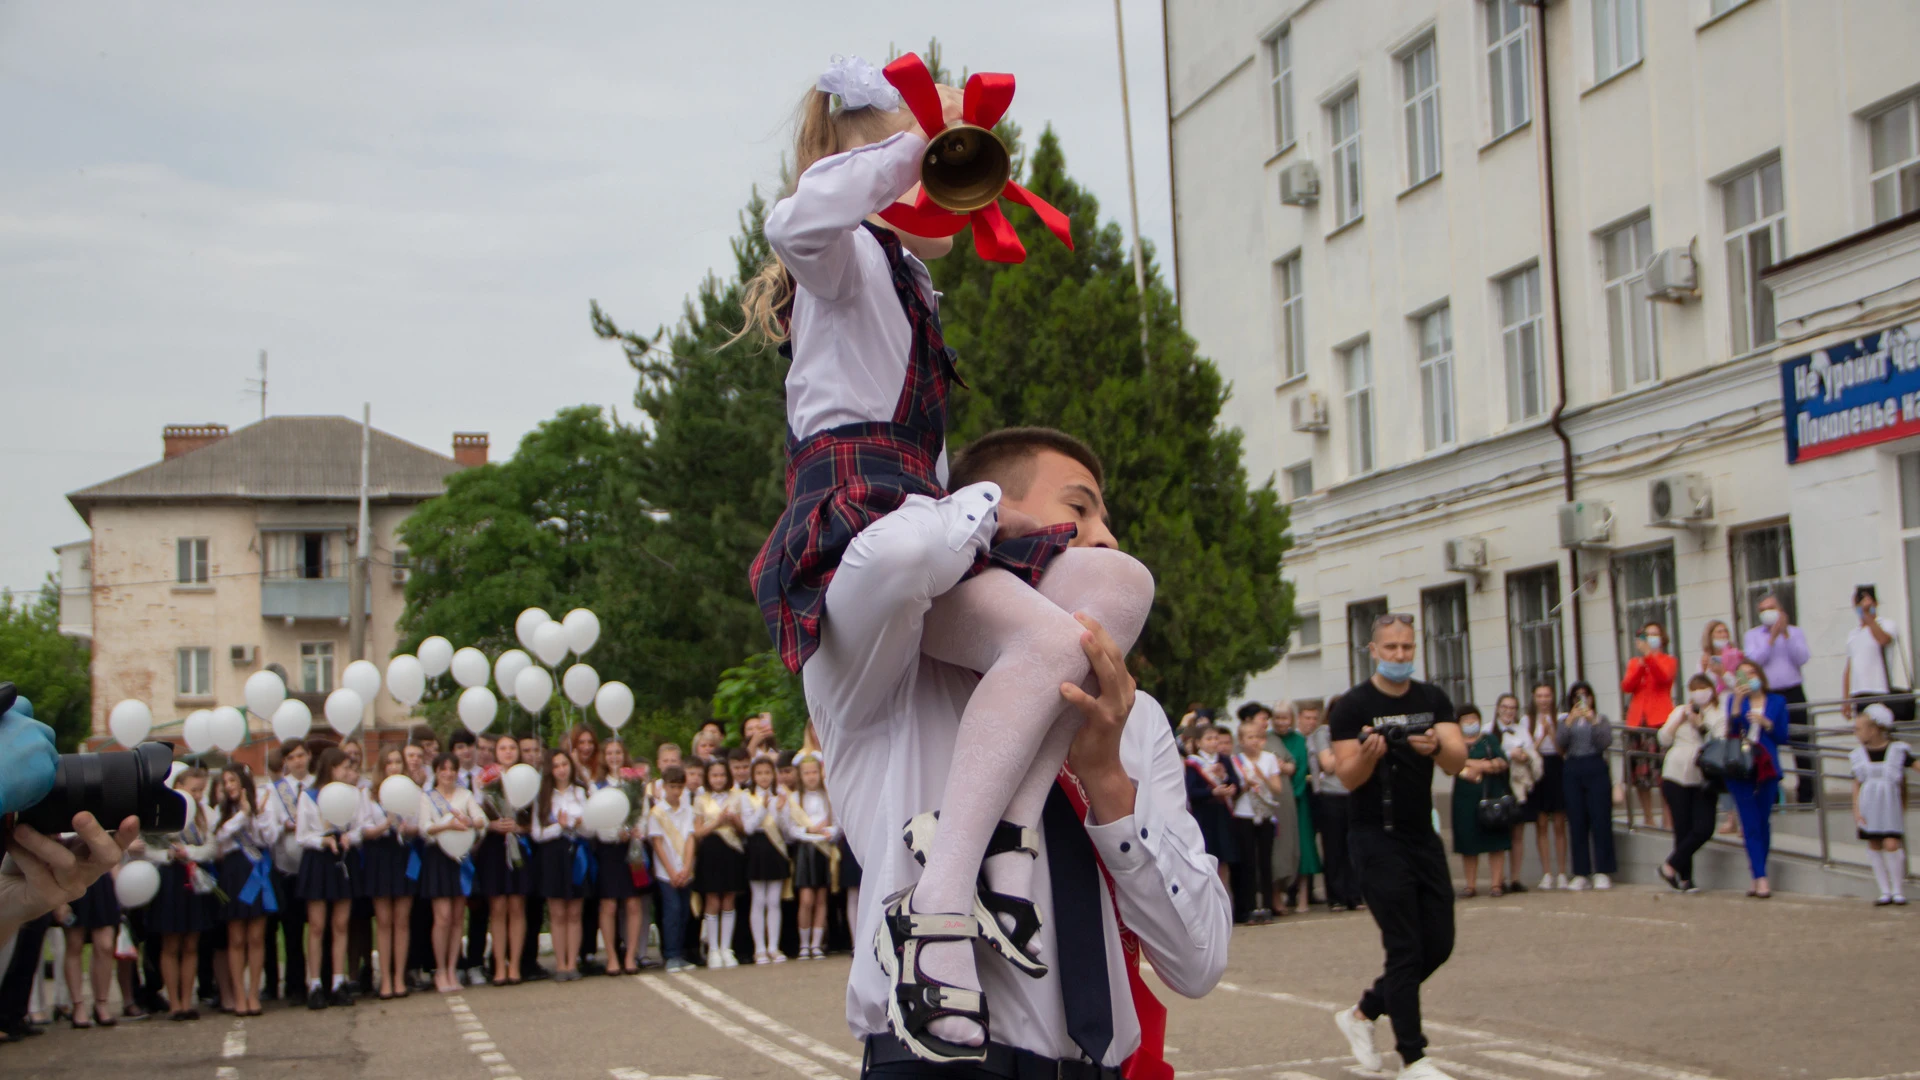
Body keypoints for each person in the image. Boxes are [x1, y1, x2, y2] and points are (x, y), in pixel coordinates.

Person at [746, 56, 1152, 1059]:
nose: (922, 169)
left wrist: (990, 524)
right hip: (857, 523)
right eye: (898, 147)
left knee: (1091, 605)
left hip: (918, 515)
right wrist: (899, 154)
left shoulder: (908, 273)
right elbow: (789, 224)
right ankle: (942, 905)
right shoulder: (837, 252)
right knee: (931, 550)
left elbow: (924, 457)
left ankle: (988, 846)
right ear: (860, 154)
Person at [800, 425, 1229, 1079]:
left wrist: (1108, 782)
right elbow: (902, 556)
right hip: (939, 1061)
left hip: (1100, 1066)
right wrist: (974, 508)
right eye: (1079, 510)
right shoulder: (886, 672)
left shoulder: (1135, 719)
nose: (1107, 537)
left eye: (1107, 517)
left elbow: (1198, 961)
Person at [1327, 612, 1468, 1080]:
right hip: (1373, 835)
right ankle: (1414, 1056)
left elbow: (1457, 758)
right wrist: (1368, 756)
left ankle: (1363, 1013)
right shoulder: (1352, 705)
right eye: (1391, 649)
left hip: (1421, 834)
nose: (1400, 656)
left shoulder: (1432, 699)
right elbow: (1347, 776)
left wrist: (1434, 748)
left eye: (1407, 648)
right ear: (1374, 651)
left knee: (1439, 943)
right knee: (1405, 945)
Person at [297, 748, 366, 1009]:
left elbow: (360, 826)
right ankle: (314, 983)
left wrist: (352, 837)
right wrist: (322, 841)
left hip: (343, 858)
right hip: (319, 860)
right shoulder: (309, 796)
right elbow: (302, 835)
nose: (348, 772)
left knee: (341, 924)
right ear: (330, 767)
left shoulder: (352, 795)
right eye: (343, 767)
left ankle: (338, 981)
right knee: (316, 926)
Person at [150, 766, 217, 1021]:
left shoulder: (205, 813)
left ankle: (188, 1001)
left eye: (201, 790)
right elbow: (146, 847)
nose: (199, 795)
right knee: (171, 942)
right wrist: (166, 854)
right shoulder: (164, 811)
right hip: (170, 877)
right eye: (194, 789)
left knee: (191, 942)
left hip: (194, 876)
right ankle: (174, 1003)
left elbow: (211, 847)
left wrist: (190, 853)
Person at [211, 764, 272, 1017]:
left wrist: (251, 815)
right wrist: (241, 816)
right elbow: (219, 839)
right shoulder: (220, 812)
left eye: (233, 780)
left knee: (256, 937)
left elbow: (267, 838)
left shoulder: (262, 807)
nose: (229, 786)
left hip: (256, 871)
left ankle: (253, 994)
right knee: (235, 937)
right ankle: (238, 994)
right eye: (225, 782)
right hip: (232, 873)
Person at [1656, 675, 1726, 893]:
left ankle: (1670, 865)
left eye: (1703, 688)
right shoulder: (1680, 710)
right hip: (1676, 774)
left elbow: (1719, 742)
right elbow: (1663, 739)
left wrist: (1701, 725)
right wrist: (1680, 720)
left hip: (1703, 777)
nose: (1699, 693)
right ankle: (1685, 878)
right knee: (1682, 827)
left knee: (1704, 827)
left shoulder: (1718, 713)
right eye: (1694, 689)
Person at [1726, 660, 1788, 899]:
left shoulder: (1777, 701)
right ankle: (1761, 877)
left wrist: (1767, 723)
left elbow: (1783, 736)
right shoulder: (1734, 700)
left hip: (1767, 765)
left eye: (1752, 673)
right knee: (1750, 823)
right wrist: (1737, 705)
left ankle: (1757, 874)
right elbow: (1730, 733)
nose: (1749, 677)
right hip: (1741, 766)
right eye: (1744, 674)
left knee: (1763, 822)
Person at [473, 735, 531, 985]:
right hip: (494, 847)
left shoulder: (527, 777)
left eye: (512, 747)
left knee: (517, 907)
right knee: (497, 908)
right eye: (503, 748)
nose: (508, 752)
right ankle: (498, 965)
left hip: (519, 844)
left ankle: (514, 965)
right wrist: (491, 824)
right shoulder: (485, 779)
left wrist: (520, 828)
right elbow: (475, 813)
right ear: (496, 753)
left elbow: (535, 821)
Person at [257, 738, 312, 1004]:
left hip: (313, 867)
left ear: (309, 756)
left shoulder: (318, 786)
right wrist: (285, 825)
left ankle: (315, 982)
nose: (298, 761)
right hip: (284, 868)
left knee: (315, 929)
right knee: (289, 930)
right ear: (285, 763)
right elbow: (268, 829)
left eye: (301, 755)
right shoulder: (276, 791)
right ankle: (292, 985)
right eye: (292, 758)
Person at [1743, 593, 1812, 803]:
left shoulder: (1794, 632)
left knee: (1801, 741)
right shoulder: (1753, 635)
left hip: (1793, 691)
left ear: (1781, 610)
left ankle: (1807, 794)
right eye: (1763, 609)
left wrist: (1785, 635)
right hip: (1768, 694)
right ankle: (1770, 793)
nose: (1767, 613)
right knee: (1767, 743)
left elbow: (1802, 658)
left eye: (1771, 608)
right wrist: (1771, 639)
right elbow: (1754, 662)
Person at [362, 749, 418, 999]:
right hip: (379, 854)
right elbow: (364, 830)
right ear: (381, 767)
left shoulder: (411, 790)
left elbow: (420, 826)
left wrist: (408, 828)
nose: (394, 767)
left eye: (398, 762)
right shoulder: (369, 794)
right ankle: (384, 978)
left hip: (402, 853)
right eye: (389, 763)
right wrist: (387, 823)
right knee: (384, 921)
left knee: (402, 920)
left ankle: (399, 977)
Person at [1851, 704, 1917, 905]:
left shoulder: (1898, 751)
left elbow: (1915, 766)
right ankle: (1884, 890)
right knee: (1874, 843)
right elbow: (1856, 784)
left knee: (1891, 843)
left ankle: (1897, 889)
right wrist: (1856, 809)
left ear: (1874, 729)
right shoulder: (1858, 755)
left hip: (1889, 804)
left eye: (1859, 729)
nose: (1856, 733)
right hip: (1869, 804)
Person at [532, 748, 588, 980]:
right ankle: (561, 964)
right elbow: (537, 834)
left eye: (565, 764)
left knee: (575, 911)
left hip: (577, 853)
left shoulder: (581, 793)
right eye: (556, 766)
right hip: (553, 854)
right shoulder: (543, 796)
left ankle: (572, 963)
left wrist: (577, 824)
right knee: (557, 912)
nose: (561, 769)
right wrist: (559, 827)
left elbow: (591, 828)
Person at [1555, 682, 1615, 891]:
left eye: (1585, 696)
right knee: (1577, 820)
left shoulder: (1600, 718)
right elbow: (1560, 742)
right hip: (1573, 767)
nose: (1581, 701)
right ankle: (1581, 872)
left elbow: (1605, 741)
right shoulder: (1565, 720)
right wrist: (1570, 721)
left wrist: (1593, 721)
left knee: (1600, 819)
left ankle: (1603, 870)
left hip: (1595, 764)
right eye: (1577, 697)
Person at [593, 739, 646, 975]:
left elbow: (643, 812)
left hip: (632, 849)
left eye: (618, 752)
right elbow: (596, 819)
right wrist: (617, 834)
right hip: (610, 850)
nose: (614, 757)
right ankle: (612, 956)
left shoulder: (635, 783)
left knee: (634, 902)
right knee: (609, 904)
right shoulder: (597, 786)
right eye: (609, 753)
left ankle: (630, 955)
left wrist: (636, 831)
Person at [1449, 705, 1510, 899]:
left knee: (1495, 840)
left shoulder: (1489, 740)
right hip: (1464, 798)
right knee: (1468, 841)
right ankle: (1470, 885)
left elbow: (1501, 763)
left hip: (1491, 795)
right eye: (1466, 719)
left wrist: (1479, 765)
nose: (1470, 723)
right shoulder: (1455, 742)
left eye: (1473, 719)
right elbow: (1450, 765)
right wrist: (1480, 764)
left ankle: (1496, 884)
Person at [1229, 710, 1285, 924]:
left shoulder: (1269, 759)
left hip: (1265, 814)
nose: (1253, 742)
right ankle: (1250, 907)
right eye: (1248, 738)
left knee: (1265, 861)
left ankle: (1268, 906)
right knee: (1248, 862)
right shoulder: (1236, 761)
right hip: (1244, 813)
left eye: (1256, 737)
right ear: (1241, 741)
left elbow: (1277, 788)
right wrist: (1245, 784)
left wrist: (1263, 778)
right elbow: (1235, 790)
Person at [1307, 698, 1361, 909]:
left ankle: (1355, 895)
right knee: (1334, 848)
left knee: (1355, 847)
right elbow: (1327, 764)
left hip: (1354, 793)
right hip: (1331, 795)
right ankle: (1336, 896)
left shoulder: (1356, 732)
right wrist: (1348, 751)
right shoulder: (1324, 732)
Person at [1621, 621, 1675, 829]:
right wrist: (1642, 662)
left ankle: (1667, 817)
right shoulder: (1635, 662)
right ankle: (1647, 815)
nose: (1651, 638)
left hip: (1659, 720)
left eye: (1655, 634)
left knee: (1662, 773)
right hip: (1638, 721)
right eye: (1647, 635)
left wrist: (1650, 658)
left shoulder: (1668, 660)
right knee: (1640, 773)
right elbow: (1627, 686)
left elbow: (1664, 678)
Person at [693, 758, 746, 969]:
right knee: (712, 898)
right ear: (708, 777)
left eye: (722, 775)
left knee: (729, 898)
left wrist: (733, 820)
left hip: (731, 851)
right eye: (714, 775)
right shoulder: (701, 799)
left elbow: (743, 830)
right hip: (710, 850)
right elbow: (697, 833)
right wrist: (717, 821)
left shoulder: (737, 797)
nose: (718, 779)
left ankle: (726, 948)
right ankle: (713, 949)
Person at [785, 753, 838, 959]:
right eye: (806, 773)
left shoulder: (828, 796)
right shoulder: (796, 799)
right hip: (806, 849)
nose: (811, 777)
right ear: (801, 775)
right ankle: (804, 945)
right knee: (806, 899)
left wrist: (830, 832)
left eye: (814, 772)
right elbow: (791, 829)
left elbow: (838, 824)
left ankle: (816, 944)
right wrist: (810, 831)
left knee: (821, 898)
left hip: (823, 848)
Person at [647, 766, 698, 972]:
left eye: (679, 787)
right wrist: (671, 871)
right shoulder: (657, 812)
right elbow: (657, 844)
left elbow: (690, 839)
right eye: (672, 787)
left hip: (685, 869)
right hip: (666, 872)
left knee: (684, 912)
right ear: (664, 786)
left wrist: (686, 867)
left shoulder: (688, 810)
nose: (675, 791)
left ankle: (680, 953)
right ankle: (671, 954)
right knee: (672, 912)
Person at [742, 757, 792, 964]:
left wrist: (779, 811)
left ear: (773, 775)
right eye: (759, 773)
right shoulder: (747, 797)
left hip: (775, 849)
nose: (763, 777)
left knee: (773, 901)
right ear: (753, 776)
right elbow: (748, 828)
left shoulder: (780, 797)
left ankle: (773, 946)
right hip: (757, 848)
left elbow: (786, 832)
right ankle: (759, 948)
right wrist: (763, 808)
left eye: (767, 773)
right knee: (758, 900)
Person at [1522, 683, 1568, 889]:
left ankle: (1563, 872)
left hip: (1556, 767)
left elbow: (1563, 752)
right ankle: (1547, 872)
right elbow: (1529, 749)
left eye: (1547, 695)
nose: (1543, 700)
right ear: (1534, 698)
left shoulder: (1561, 718)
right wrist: (1541, 736)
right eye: (1539, 695)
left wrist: (1552, 733)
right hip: (1537, 766)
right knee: (1541, 822)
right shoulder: (1527, 720)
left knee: (1559, 822)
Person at [1276, 706, 1321, 913]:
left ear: (1292, 719)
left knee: (1304, 847)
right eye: (1277, 717)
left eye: (1285, 717)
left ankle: (1304, 897)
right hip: (1276, 801)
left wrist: (1293, 794)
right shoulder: (1269, 739)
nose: (1281, 721)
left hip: (1298, 799)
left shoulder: (1299, 741)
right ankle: (1281, 896)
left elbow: (1301, 769)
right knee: (1280, 847)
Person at [1185, 726, 1241, 890]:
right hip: (1204, 816)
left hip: (1222, 814)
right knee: (1208, 858)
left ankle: (1226, 900)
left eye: (1216, 738)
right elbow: (1191, 791)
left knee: (1224, 858)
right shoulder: (1192, 763)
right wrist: (1212, 792)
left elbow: (1236, 783)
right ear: (1198, 742)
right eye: (1209, 739)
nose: (1214, 742)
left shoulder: (1224, 759)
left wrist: (1226, 781)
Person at [1489, 694, 1534, 894]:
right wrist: (1509, 754)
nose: (1509, 711)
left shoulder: (1521, 731)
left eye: (1513, 708)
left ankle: (1515, 877)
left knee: (1517, 832)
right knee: (1498, 831)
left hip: (1517, 784)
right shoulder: (1487, 729)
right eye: (1505, 707)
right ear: (1498, 708)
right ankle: (1498, 879)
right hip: (1496, 783)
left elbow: (1532, 753)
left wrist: (1524, 756)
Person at [1843, 586, 1907, 721]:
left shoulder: (1887, 624)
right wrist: (1846, 699)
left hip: (1880, 690)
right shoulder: (1853, 634)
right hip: (1859, 693)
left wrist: (1869, 617)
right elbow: (1849, 668)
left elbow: (1883, 640)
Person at [1699, 620, 1744, 701]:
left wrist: (1723, 673)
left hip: (1733, 699)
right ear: (1710, 636)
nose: (1724, 635)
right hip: (1714, 702)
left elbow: (1740, 684)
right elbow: (1701, 685)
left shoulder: (1736, 655)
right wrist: (1704, 670)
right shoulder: (1705, 658)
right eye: (1719, 632)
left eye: (1725, 631)